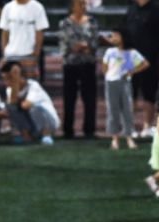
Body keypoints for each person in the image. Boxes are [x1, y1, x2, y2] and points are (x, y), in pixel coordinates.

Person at [124, 0, 159, 137]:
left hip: (150, 57)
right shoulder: (131, 9)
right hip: (131, 57)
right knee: (130, 92)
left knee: (149, 92)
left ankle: (147, 126)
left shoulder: (157, 9)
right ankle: (130, 126)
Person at [102, 28, 148, 150]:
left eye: (116, 35)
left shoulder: (132, 53)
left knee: (127, 109)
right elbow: (104, 65)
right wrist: (109, 75)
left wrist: (131, 71)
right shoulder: (110, 52)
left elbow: (144, 63)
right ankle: (115, 138)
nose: (113, 38)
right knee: (113, 110)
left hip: (124, 82)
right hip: (111, 83)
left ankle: (129, 136)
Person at [58, 0, 97, 139]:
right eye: (79, 4)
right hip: (70, 64)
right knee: (69, 97)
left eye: (83, 4)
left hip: (88, 63)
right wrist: (75, 47)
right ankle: (68, 130)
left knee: (89, 98)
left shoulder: (92, 22)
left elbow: (94, 41)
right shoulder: (65, 23)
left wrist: (87, 47)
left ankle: (89, 130)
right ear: (72, 6)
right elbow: (63, 42)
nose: (82, 7)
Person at [2, 59, 58, 144]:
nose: (6, 82)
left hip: (49, 123)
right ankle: (26, 137)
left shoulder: (33, 85)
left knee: (34, 108)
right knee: (10, 107)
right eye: (4, 79)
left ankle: (46, 135)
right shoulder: (10, 90)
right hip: (33, 124)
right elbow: (11, 104)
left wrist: (15, 80)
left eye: (9, 78)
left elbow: (26, 105)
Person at [0, 0, 48, 78]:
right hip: (10, 56)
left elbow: (40, 33)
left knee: (30, 83)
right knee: (12, 84)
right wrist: (5, 55)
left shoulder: (37, 7)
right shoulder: (7, 8)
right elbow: (4, 33)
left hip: (29, 55)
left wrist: (35, 56)